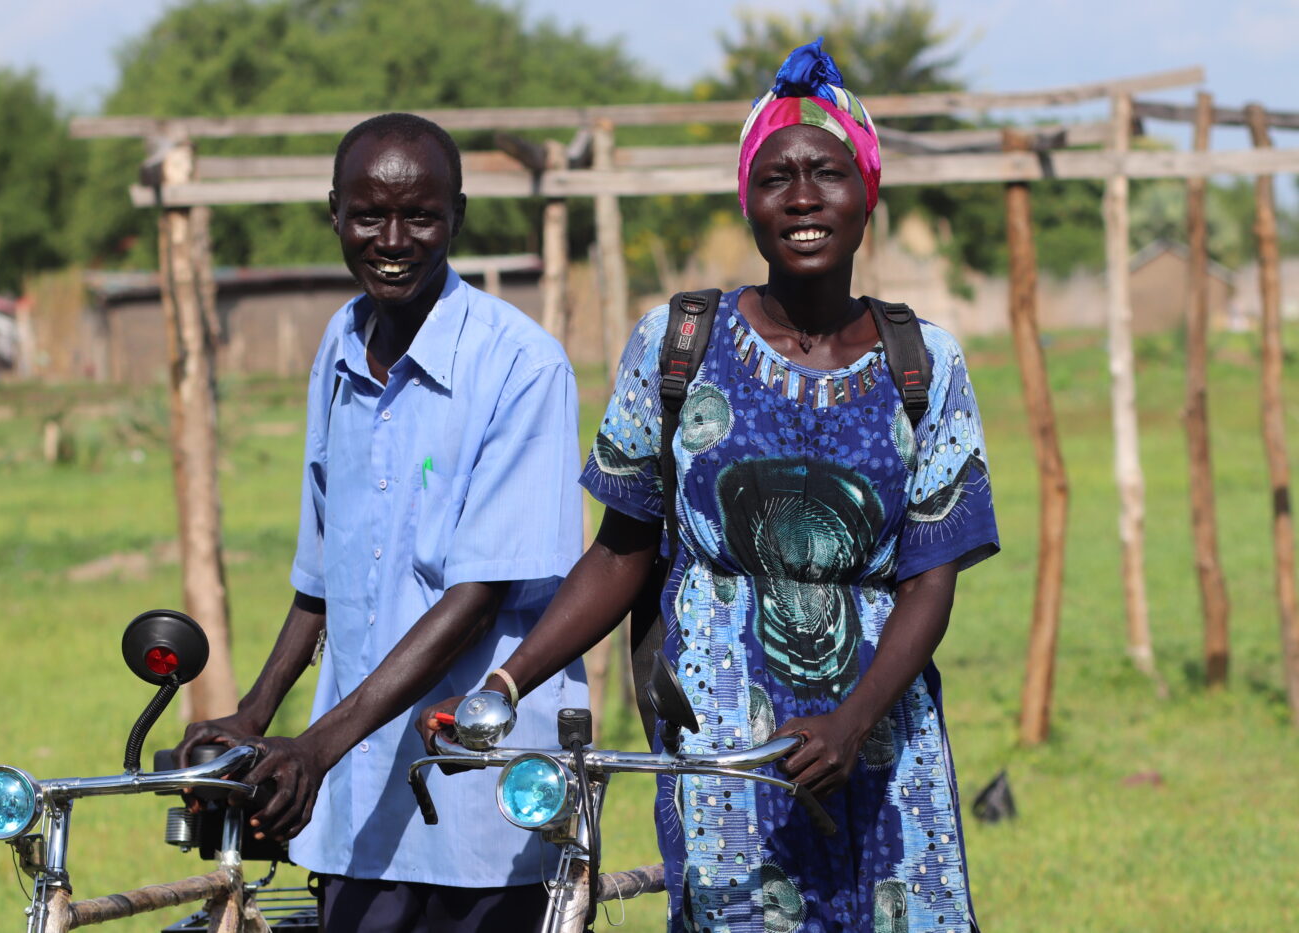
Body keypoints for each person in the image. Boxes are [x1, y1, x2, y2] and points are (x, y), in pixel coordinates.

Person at [421, 39, 998, 933]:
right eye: (777, 177)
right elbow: (620, 555)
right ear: (748, 198)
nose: (803, 198)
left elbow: (932, 578)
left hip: (885, 748)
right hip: (723, 745)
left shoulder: (923, 361)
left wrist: (850, 722)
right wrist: (505, 683)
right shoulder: (678, 345)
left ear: (866, 191)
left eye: (827, 173)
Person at [176, 112, 587, 933]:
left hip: (477, 791)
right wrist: (257, 711)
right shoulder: (338, 343)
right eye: (369, 216)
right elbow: (322, 567)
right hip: (357, 801)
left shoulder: (522, 365)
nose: (393, 240)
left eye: (421, 217)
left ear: (458, 218)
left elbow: (477, 594)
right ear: (334, 213)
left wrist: (315, 746)